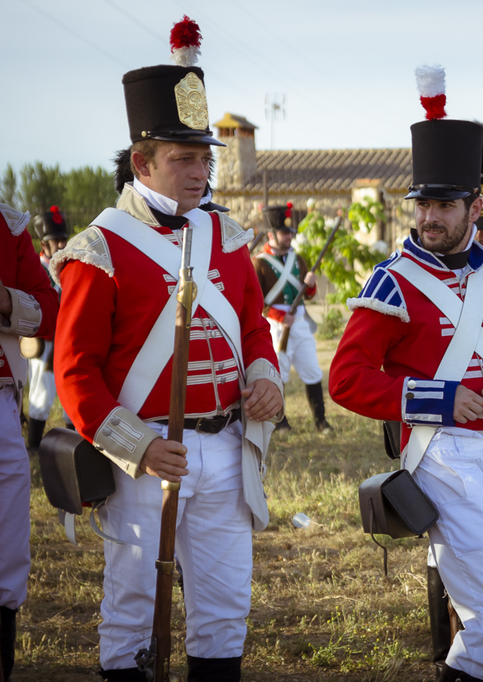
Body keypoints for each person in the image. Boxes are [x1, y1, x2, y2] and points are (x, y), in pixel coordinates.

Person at [51, 19, 283, 681]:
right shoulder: (100, 248)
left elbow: (253, 327)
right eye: (183, 158)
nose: (200, 169)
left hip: (225, 448)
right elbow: (76, 375)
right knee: (130, 613)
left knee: (222, 614)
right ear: (141, 163)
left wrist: (264, 375)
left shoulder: (227, 237)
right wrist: (138, 447)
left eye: (203, 156)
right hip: (147, 455)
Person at [329, 71, 483, 682]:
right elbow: (346, 379)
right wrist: (440, 399)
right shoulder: (392, 281)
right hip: (439, 454)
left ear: (473, 206)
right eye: (423, 204)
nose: (430, 217)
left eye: (444, 205)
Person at [0, 203, 59, 681]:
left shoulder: (9, 226)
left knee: (8, 540)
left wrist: (4, 301)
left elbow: (50, 310)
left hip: (0, 395)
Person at [252, 203, 330, 432]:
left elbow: (308, 295)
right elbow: (256, 301)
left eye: (289, 233)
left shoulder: (298, 260)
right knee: (279, 372)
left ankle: (321, 420)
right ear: (270, 234)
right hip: (276, 325)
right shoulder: (258, 263)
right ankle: (281, 422)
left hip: (299, 322)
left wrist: (311, 286)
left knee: (312, 370)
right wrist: (278, 315)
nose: (289, 237)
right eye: (284, 233)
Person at [24, 206, 70, 450]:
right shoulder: (34, 268)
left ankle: (73, 441)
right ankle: (33, 445)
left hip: (66, 338)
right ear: (43, 244)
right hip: (43, 340)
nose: (62, 245)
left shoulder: (67, 267)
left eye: (64, 240)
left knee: (71, 393)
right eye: (56, 241)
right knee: (41, 391)